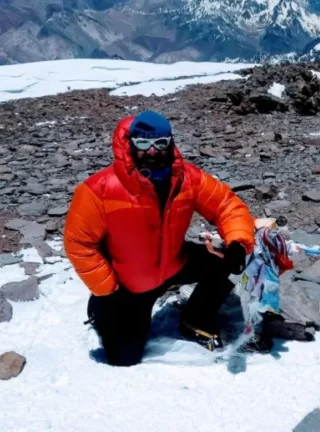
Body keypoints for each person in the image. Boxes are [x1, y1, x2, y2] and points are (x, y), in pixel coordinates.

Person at [63, 111, 255, 367]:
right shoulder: (99, 189)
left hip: (174, 264)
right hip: (127, 287)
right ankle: (100, 307)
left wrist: (237, 242)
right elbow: (79, 243)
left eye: (160, 143)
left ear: (170, 142)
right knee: (125, 359)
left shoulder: (188, 178)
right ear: (130, 144)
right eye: (143, 143)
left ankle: (195, 317)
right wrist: (106, 290)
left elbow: (227, 206)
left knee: (229, 263)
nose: (152, 151)